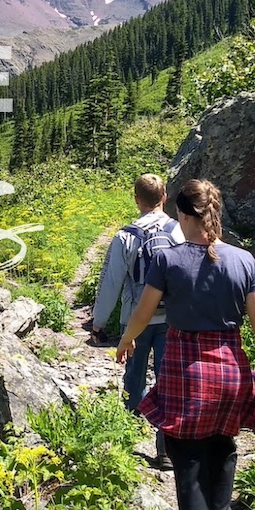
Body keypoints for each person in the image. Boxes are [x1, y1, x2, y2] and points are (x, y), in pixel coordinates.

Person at [117, 179, 255, 510]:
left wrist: (127, 339)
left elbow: (143, 313)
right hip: (231, 372)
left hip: (186, 372)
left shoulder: (167, 260)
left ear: (182, 214)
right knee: (223, 442)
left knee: (188, 459)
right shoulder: (244, 260)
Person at [90, 173, 184, 467]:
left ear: (136, 199)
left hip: (135, 320)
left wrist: (99, 321)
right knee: (168, 379)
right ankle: (165, 448)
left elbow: (111, 281)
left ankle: (127, 436)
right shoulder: (179, 231)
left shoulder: (125, 235)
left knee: (134, 374)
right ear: (165, 197)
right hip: (172, 319)